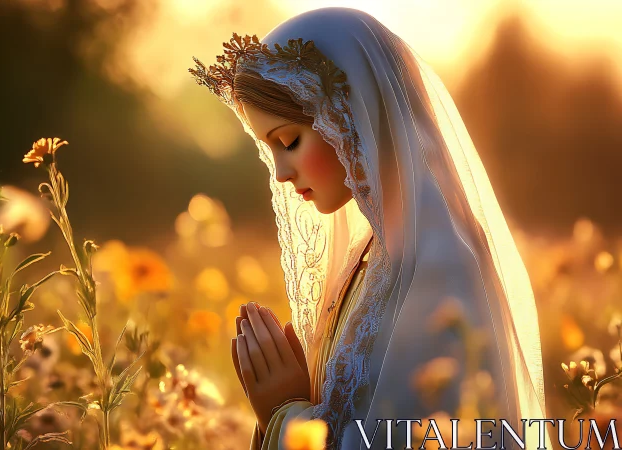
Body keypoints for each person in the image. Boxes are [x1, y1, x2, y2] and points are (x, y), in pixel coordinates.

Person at [189, 7, 550, 450]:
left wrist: (285, 414)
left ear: (352, 119)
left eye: (289, 141)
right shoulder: (372, 260)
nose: (281, 173)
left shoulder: (441, 273)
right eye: (271, 149)